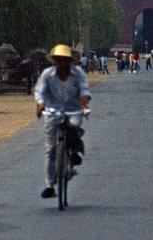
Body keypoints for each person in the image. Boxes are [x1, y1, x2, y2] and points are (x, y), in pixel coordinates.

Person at [34, 44, 92, 199]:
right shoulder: (47, 74)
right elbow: (40, 91)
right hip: (53, 111)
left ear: (68, 60)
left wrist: (84, 101)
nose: (60, 62)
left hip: (73, 109)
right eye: (57, 59)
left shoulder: (77, 73)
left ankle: (73, 151)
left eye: (63, 59)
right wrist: (40, 104)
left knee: (73, 126)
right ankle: (50, 185)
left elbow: (84, 89)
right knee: (51, 148)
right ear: (54, 60)